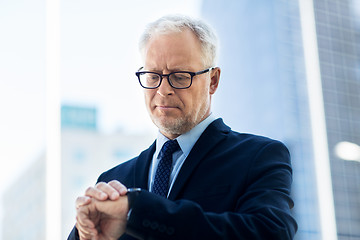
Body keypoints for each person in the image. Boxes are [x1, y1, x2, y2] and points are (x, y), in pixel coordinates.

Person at [68, 14, 297, 240]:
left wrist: (138, 210)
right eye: (152, 75)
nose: (163, 90)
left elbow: (271, 233)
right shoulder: (113, 179)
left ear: (213, 81)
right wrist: (84, 235)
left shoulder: (259, 157)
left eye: (179, 76)